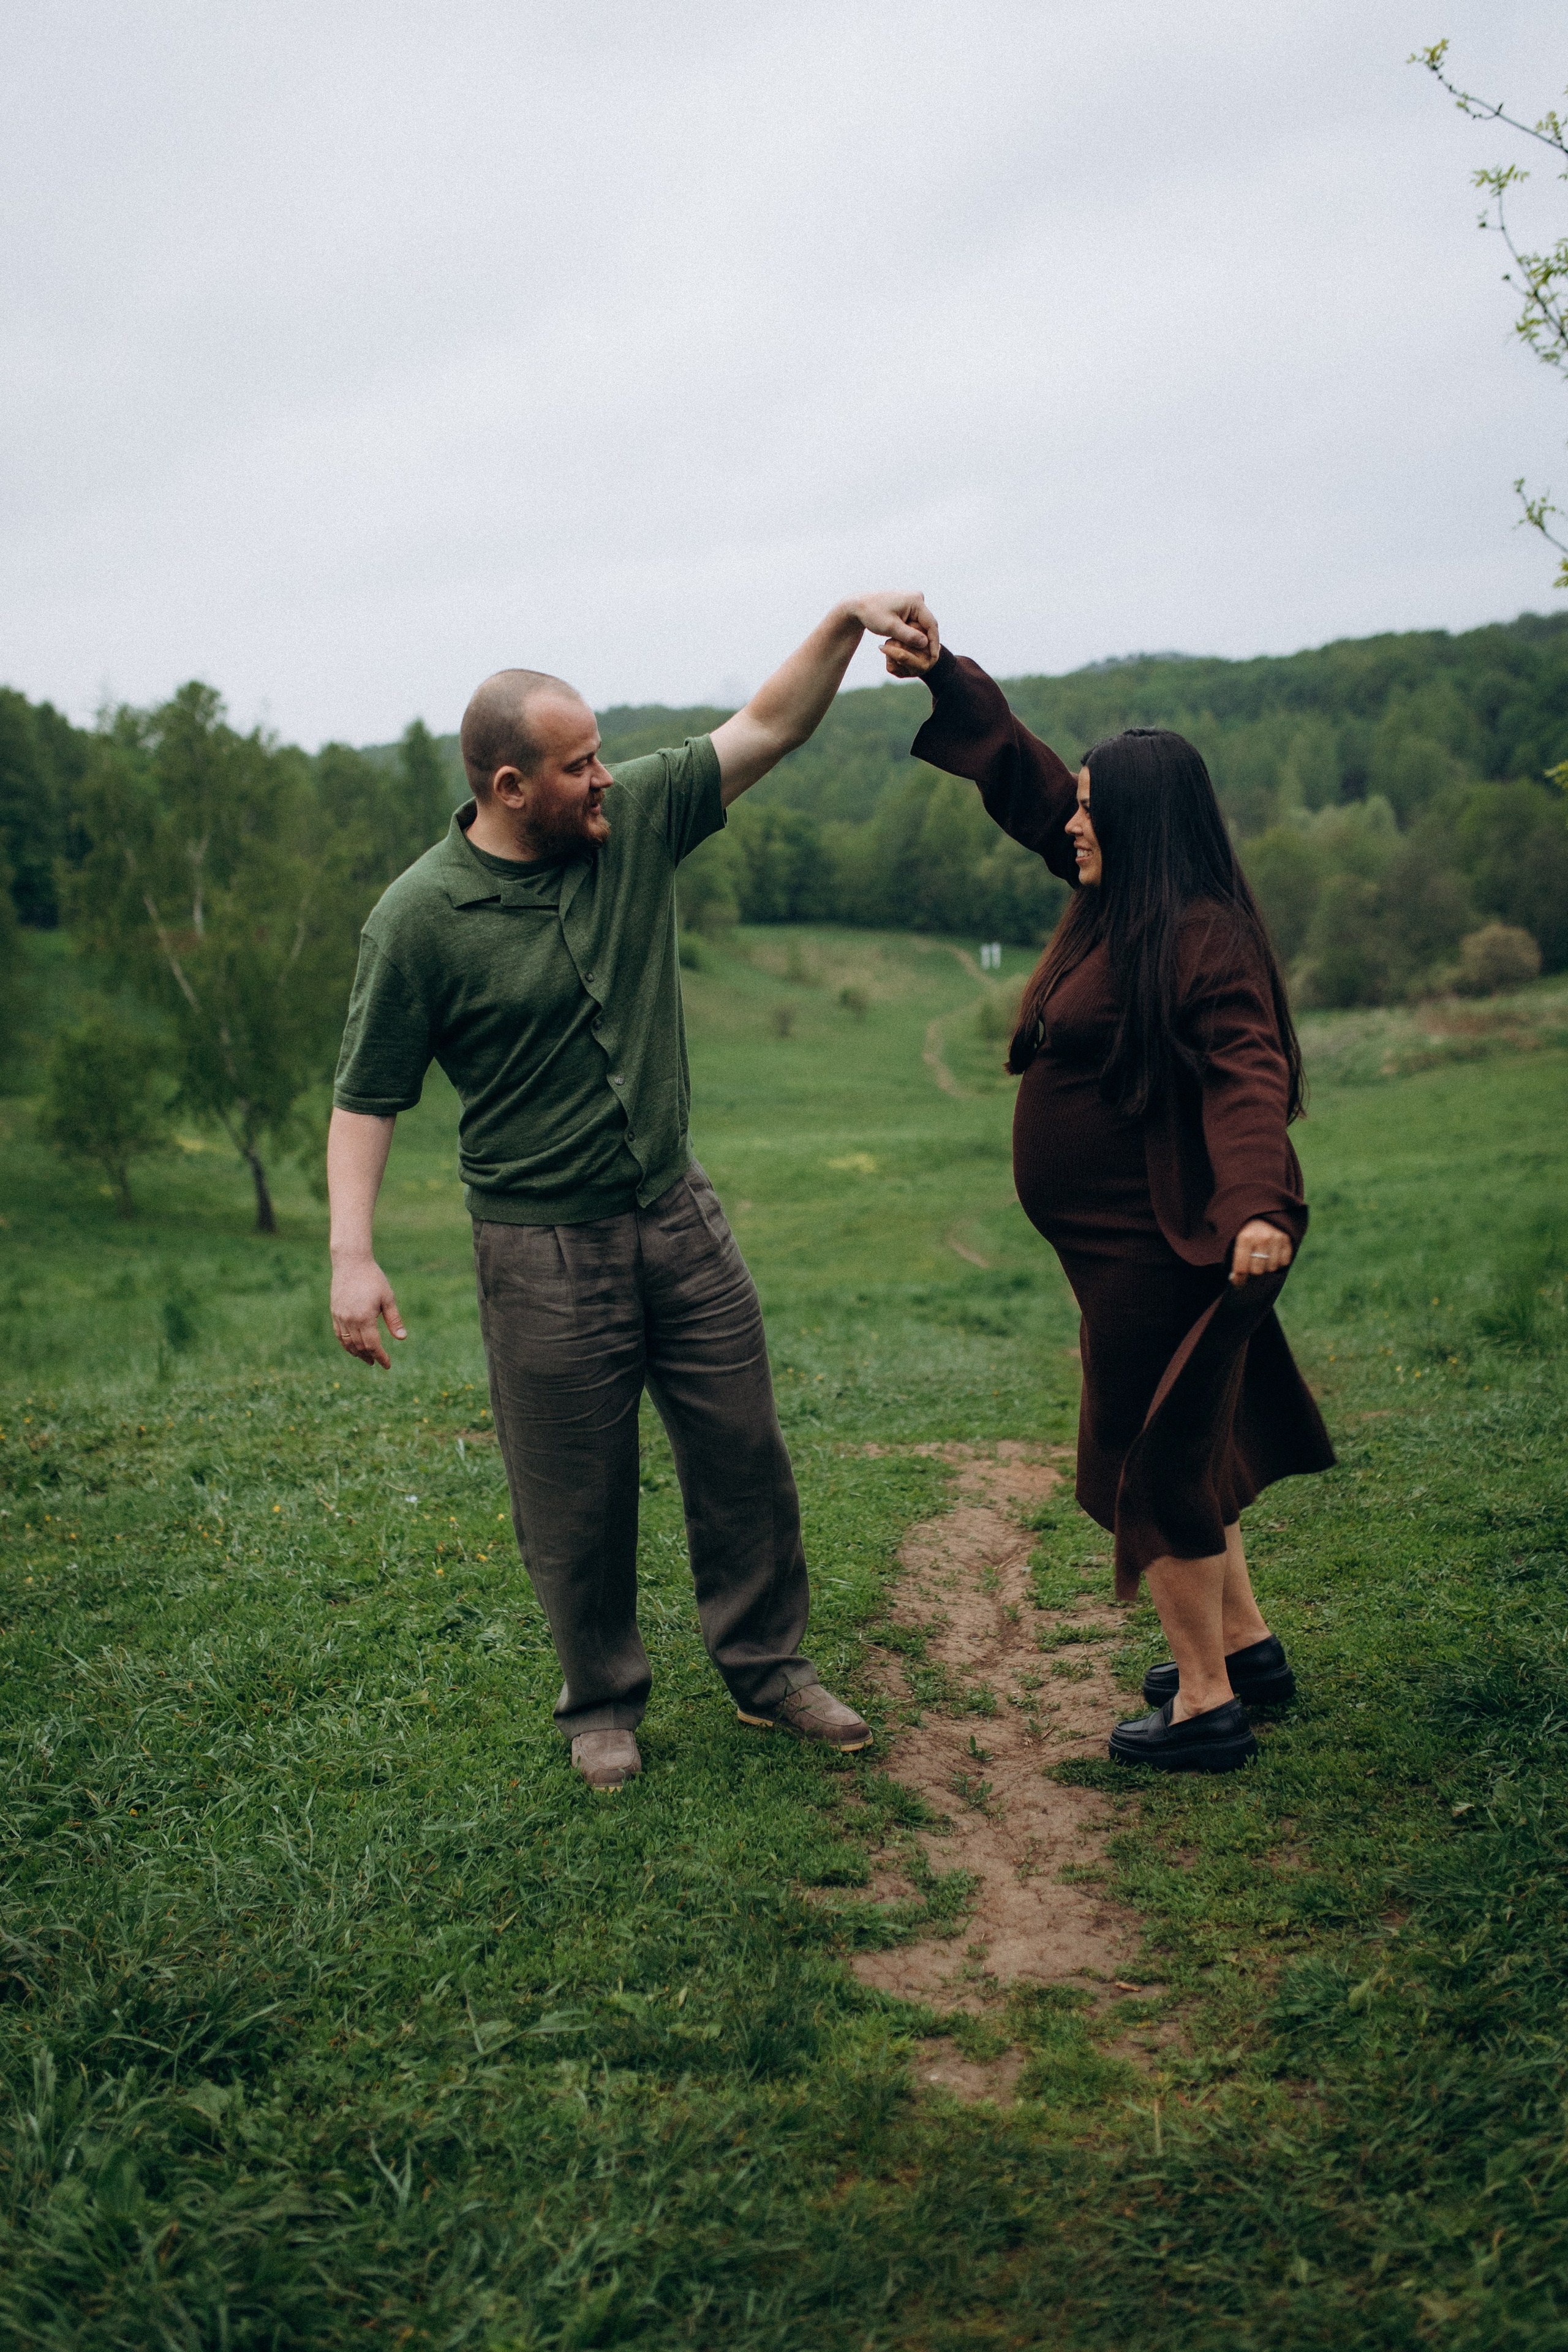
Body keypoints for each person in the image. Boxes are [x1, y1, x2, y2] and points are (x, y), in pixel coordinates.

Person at [329, 592, 938, 1790]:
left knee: (739, 1448)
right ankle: (599, 1700)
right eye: (577, 765)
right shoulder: (417, 919)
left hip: (676, 1210)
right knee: (574, 1489)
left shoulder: (634, 818)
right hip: (537, 1246)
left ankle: (768, 1671)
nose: (605, 778)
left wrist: (844, 625)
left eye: (603, 754)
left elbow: (768, 727)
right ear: (510, 788)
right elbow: (366, 1097)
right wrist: (352, 1255)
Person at [887, 636, 1335, 1773]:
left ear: (1140, 824)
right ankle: (1246, 1644)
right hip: (1111, 1251)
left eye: (1093, 810)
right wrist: (946, 673)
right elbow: (1028, 781)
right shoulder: (1120, 898)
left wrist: (1257, 1209)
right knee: (1191, 1436)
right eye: (1078, 807)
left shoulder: (1200, 940)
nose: (1071, 823)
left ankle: (1204, 1703)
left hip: (1163, 1240)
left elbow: (1249, 1079)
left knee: (1159, 1461)